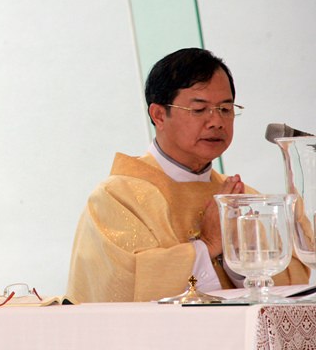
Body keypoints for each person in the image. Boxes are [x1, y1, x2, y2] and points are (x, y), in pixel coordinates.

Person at [66, 48, 308, 303]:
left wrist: (238, 253)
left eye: (225, 109)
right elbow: (123, 288)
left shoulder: (243, 199)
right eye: (199, 109)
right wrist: (209, 243)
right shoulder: (116, 198)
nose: (216, 121)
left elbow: (290, 291)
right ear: (159, 114)